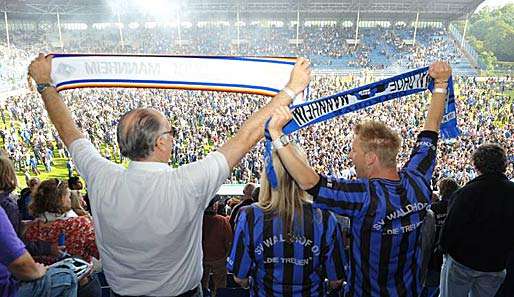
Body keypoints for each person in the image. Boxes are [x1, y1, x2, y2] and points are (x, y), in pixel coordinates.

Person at [28, 53, 311, 296]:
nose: (174, 137)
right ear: (161, 143)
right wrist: (291, 89)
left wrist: (44, 85)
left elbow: (70, 133)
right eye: (171, 132)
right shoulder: (188, 183)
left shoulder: (101, 177)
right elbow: (245, 136)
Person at [267, 61, 452, 297]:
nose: (350, 155)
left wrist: (276, 134)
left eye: (354, 150)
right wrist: (441, 83)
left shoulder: (364, 196)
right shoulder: (418, 178)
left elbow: (309, 182)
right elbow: (432, 128)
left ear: (371, 158)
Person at [227, 143, 346, 296]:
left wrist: (255, 283)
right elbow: (336, 280)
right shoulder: (325, 218)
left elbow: (239, 277)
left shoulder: (248, 216)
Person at [439, 143, 514, 297]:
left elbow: (450, 229)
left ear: (477, 164)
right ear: (503, 165)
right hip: (496, 264)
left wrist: (445, 250)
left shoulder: (466, 193)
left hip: (461, 263)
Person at [0, 206, 78, 297]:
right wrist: (39, 271)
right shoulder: (78, 223)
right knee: (67, 277)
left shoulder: (31, 225)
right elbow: (22, 265)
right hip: (6, 290)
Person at [201, 198, 233, 296]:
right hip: (219, 259)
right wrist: (226, 255)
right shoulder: (222, 220)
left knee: (202, 283)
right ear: (214, 206)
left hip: (202, 258)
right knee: (220, 285)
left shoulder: (199, 220)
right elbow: (229, 241)